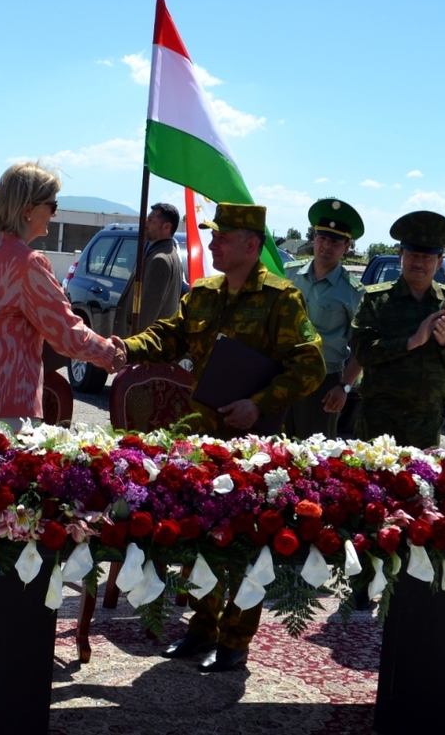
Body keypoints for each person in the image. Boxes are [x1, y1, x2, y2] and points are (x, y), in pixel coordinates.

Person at [115, 203, 324, 672]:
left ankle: (234, 640)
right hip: (204, 440)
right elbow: (170, 336)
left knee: (248, 542)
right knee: (201, 536)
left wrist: (261, 402)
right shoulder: (203, 294)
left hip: (254, 446)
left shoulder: (281, 299)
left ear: (252, 246)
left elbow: (311, 365)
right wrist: (125, 348)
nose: (212, 244)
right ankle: (201, 628)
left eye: (223, 237)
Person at [0, 162, 126, 434]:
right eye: (52, 206)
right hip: (5, 406)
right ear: (28, 209)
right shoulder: (28, 264)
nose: (55, 213)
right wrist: (110, 353)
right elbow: (66, 333)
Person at [351, 211, 445, 448]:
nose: (418, 263)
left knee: (421, 483)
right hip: (378, 418)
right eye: (412, 255)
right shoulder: (377, 300)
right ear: (400, 255)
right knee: (371, 483)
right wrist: (410, 342)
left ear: (439, 261)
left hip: (426, 422)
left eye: (427, 257)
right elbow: (361, 352)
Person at [287, 199, 365, 440]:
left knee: (315, 455)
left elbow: (361, 347)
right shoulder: (289, 273)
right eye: (322, 237)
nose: (326, 245)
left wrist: (344, 387)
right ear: (314, 238)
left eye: (335, 241)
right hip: (284, 372)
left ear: (346, 246)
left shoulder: (354, 292)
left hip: (324, 381)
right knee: (275, 449)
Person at [113, 202, 184, 337]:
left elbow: (146, 316)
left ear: (166, 227)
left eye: (151, 220)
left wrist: (131, 348)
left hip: (143, 349)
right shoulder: (170, 254)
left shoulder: (160, 260)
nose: (146, 223)